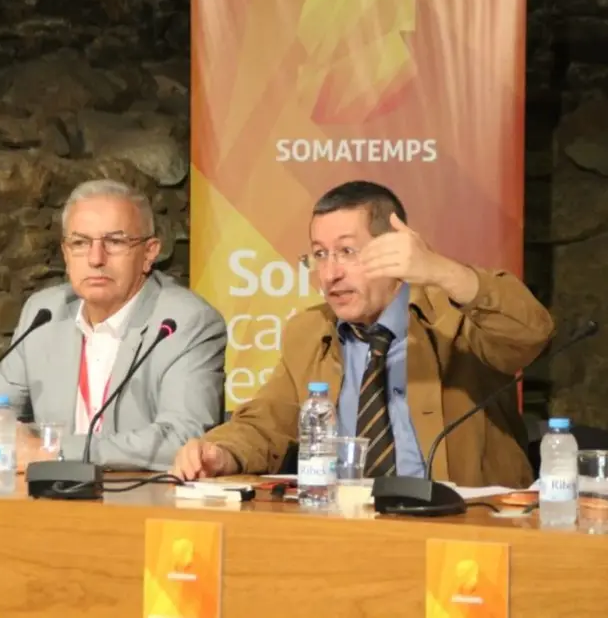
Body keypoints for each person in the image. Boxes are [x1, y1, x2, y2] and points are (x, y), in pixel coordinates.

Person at [172, 180, 554, 487]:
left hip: (464, 526)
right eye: (320, 255)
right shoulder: (310, 332)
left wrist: (442, 271)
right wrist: (220, 452)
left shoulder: (454, 317)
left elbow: (530, 334)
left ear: (394, 250)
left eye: (348, 252)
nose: (330, 274)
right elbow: (267, 421)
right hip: (350, 527)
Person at [0, 179, 228, 472]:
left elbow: (183, 438)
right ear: (66, 254)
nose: (96, 259)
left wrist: (50, 452)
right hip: (45, 501)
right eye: (80, 243)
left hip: (141, 504)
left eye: (115, 242)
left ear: (150, 252)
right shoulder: (45, 313)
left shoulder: (185, 322)